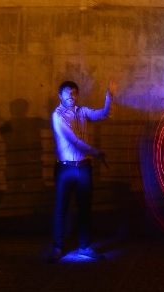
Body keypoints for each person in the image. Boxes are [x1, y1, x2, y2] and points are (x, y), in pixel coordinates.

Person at [49, 80, 116, 262]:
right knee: (61, 208)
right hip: (65, 168)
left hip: (83, 167)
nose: (71, 96)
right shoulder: (57, 115)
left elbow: (102, 114)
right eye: (67, 93)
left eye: (74, 93)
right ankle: (57, 247)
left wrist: (108, 97)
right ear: (60, 95)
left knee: (85, 208)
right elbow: (73, 141)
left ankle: (84, 247)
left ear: (78, 95)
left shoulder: (82, 111)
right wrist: (95, 152)